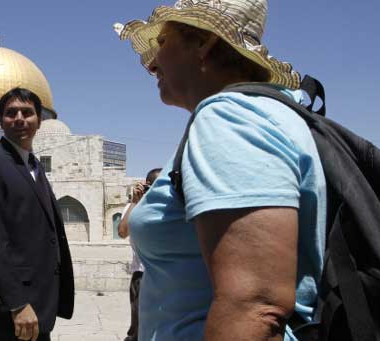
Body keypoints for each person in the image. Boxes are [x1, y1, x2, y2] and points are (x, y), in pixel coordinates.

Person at [116, 1, 327, 340]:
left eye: (162, 43)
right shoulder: (265, 111)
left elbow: (255, 306)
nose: (152, 64)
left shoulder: (229, 119)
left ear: (204, 44)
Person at [0, 87, 75, 341]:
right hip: (14, 307)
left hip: (39, 301)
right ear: (0, 120)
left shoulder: (33, 165)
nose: (19, 118)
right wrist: (16, 302)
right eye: (10, 112)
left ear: (40, 120)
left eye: (27, 112)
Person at [118, 168, 161, 341]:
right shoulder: (133, 207)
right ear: (146, 186)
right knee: (138, 327)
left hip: (167, 276)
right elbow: (122, 232)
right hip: (142, 276)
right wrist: (136, 202)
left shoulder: (170, 207)